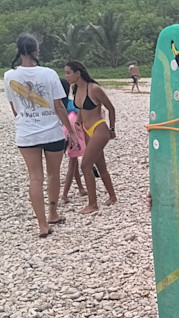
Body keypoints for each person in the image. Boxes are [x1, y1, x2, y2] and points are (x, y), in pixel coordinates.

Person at [4, 34, 74, 238]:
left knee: (35, 177)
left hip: (26, 134)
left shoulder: (9, 76)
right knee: (53, 174)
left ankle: (42, 225)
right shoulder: (49, 74)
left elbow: (15, 109)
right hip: (51, 132)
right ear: (36, 50)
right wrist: (70, 130)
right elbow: (59, 106)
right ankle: (53, 213)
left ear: (19, 51)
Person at [64, 60, 117, 214]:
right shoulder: (75, 89)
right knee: (101, 166)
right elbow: (81, 108)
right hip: (86, 130)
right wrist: (78, 122)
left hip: (99, 128)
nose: (66, 76)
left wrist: (112, 128)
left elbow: (111, 108)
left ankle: (92, 204)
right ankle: (113, 197)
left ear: (78, 73)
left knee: (85, 165)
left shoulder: (94, 88)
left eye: (68, 73)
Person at [59, 78, 87, 202]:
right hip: (72, 135)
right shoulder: (72, 104)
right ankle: (64, 194)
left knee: (73, 161)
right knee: (72, 164)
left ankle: (81, 188)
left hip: (60, 135)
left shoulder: (55, 104)